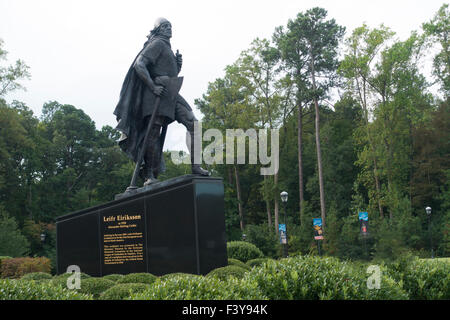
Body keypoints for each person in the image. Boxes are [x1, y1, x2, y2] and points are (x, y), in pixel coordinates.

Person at [114, 17, 209, 186]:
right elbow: (139, 64)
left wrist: (177, 66)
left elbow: (165, 70)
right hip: (156, 93)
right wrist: (152, 86)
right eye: (165, 26)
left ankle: (196, 167)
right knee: (153, 133)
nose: (168, 29)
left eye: (170, 26)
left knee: (194, 124)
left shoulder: (166, 47)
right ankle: (149, 174)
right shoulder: (157, 44)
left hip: (171, 92)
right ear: (157, 30)